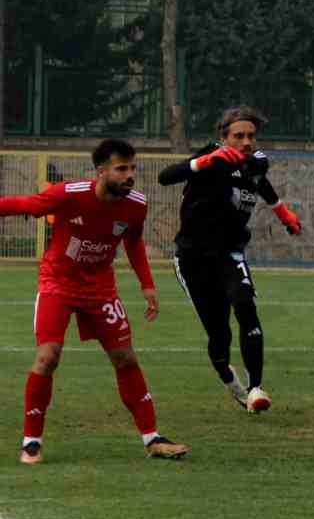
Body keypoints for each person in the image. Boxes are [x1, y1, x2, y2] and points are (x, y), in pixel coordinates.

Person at [1, 139, 187, 463]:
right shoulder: (68, 194)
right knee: (48, 356)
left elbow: (133, 242)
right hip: (57, 284)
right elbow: (24, 205)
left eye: (132, 168)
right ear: (101, 172)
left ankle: (153, 439)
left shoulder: (136, 204)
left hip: (101, 289)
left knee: (125, 357)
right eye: (121, 169)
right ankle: (32, 442)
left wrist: (147, 284)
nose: (130, 175)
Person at [160, 105, 301, 413]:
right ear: (223, 138)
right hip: (192, 259)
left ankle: (256, 388)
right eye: (238, 136)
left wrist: (282, 212)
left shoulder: (256, 162)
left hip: (230, 253)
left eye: (251, 135)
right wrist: (204, 162)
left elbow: (260, 182)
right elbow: (165, 177)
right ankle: (230, 379)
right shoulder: (212, 155)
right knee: (219, 334)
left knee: (245, 302)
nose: (246, 141)